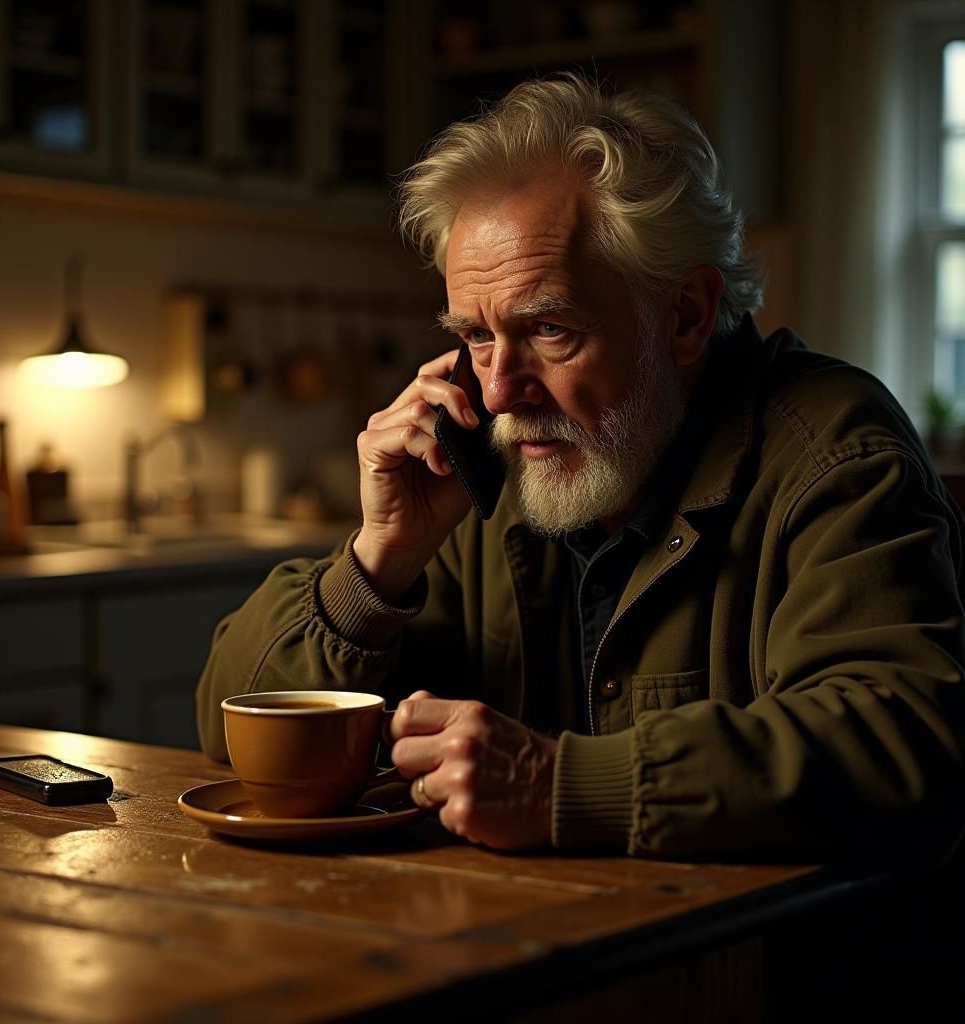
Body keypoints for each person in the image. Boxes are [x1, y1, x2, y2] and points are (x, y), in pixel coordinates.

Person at [196, 75, 965, 864]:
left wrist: (565, 785)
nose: (498, 391)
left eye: (551, 329)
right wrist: (378, 563)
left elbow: (903, 736)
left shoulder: (837, 449)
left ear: (687, 316)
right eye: (478, 336)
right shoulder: (480, 476)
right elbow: (229, 724)